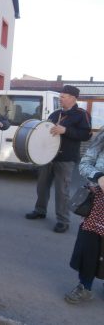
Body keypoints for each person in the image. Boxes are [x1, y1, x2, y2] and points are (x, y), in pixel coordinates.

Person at [25, 85, 92, 233]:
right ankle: (40, 210)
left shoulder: (82, 114)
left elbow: (86, 135)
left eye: (63, 96)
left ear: (73, 98)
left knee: (62, 190)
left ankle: (63, 220)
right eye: (60, 96)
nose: (60, 98)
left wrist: (66, 130)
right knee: (42, 186)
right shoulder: (55, 113)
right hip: (47, 156)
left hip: (65, 158)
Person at [65, 130, 104, 304]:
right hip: (98, 202)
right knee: (90, 246)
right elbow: (85, 163)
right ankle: (85, 286)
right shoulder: (103, 136)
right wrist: (98, 176)